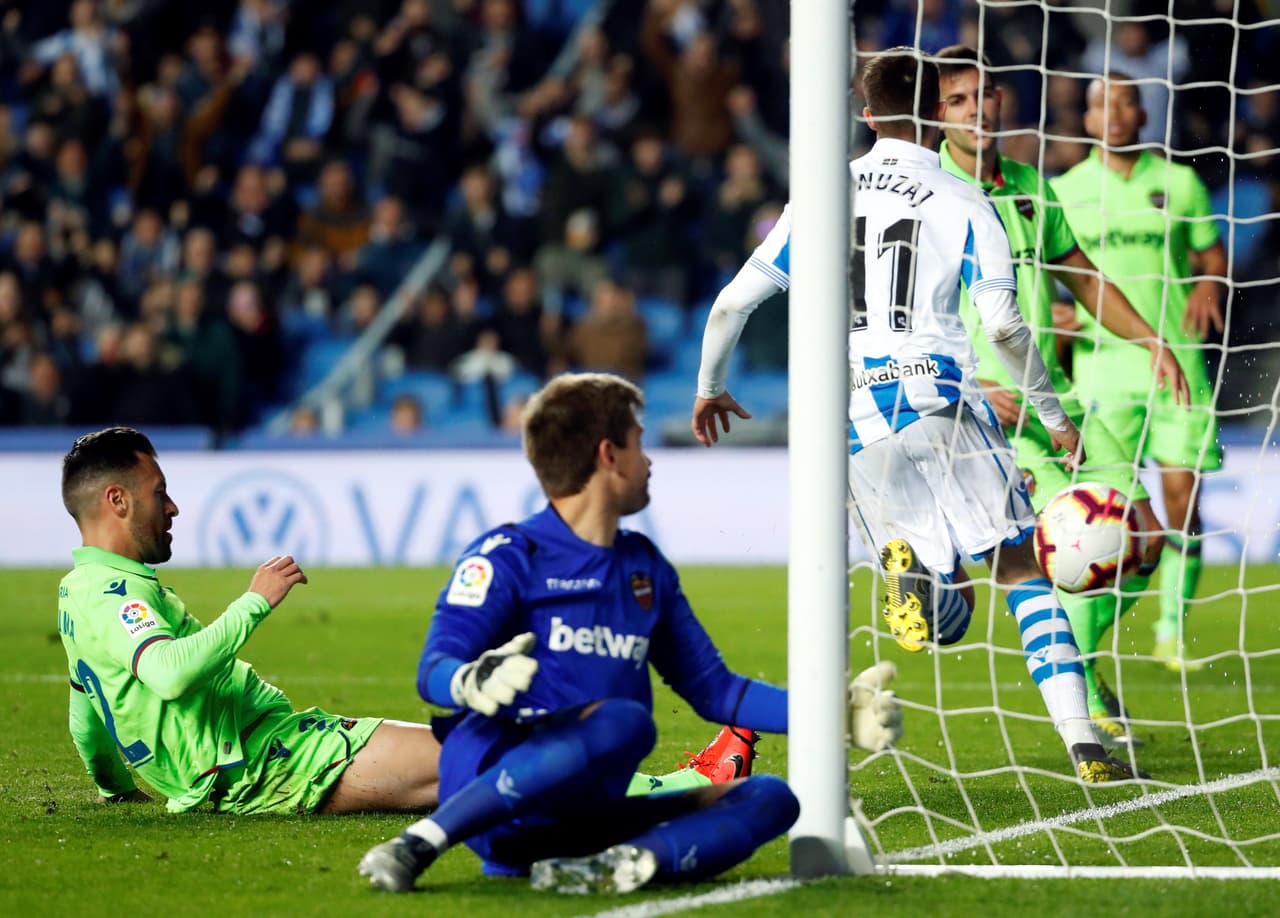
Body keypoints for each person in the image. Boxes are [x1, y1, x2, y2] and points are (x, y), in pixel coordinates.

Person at [690, 48, 1141, 783]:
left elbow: (732, 303)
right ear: (937, 112)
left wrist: (710, 386)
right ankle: (1084, 745)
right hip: (940, 399)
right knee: (1020, 569)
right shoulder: (966, 200)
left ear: (867, 115)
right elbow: (1004, 328)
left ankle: (921, 576)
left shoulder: (821, 196)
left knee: (933, 602)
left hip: (852, 421)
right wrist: (1054, 417)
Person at [55, 427, 800, 815]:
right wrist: (256, 601)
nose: (173, 505)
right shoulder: (113, 595)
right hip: (263, 762)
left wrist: (116, 786)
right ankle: (687, 787)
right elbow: (167, 674)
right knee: (479, 759)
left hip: (263, 754)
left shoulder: (77, 595)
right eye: (158, 490)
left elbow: (87, 708)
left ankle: (668, 786)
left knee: (474, 759)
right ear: (116, 500)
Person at [358, 372, 904, 893]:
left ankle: (612, 867)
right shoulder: (509, 555)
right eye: (639, 443)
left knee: (772, 797)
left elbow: (716, 691)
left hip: (585, 815)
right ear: (609, 455)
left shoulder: (644, 568)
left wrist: (828, 716)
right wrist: (469, 680)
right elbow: (434, 668)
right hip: (496, 801)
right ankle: (418, 843)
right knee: (626, 721)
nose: (649, 460)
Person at [934, 45, 1190, 746]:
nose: (977, 110)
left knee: (1145, 537)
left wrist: (1151, 340)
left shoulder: (1028, 185)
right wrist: (969, 384)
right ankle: (1080, 703)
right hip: (979, 414)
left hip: (1058, 402)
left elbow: (1083, 277)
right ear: (936, 114)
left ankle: (1087, 664)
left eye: (985, 95)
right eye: (958, 99)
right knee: (1048, 552)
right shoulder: (928, 193)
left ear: (1002, 102)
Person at [1050, 73, 1229, 672]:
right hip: (1101, 370)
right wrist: (1052, 317)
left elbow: (1211, 252)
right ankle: (1088, 649)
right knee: (1105, 517)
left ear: (1143, 114)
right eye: (1102, 103)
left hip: (1177, 363)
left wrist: (1206, 284)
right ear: (1087, 118)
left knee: (1183, 502)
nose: (1115, 113)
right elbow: (1040, 271)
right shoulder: (1064, 190)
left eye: (1126, 101)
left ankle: (1170, 633)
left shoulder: (1179, 183)